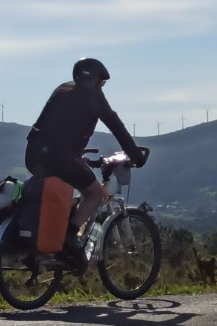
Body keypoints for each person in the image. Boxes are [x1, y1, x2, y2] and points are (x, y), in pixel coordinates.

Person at [24, 57, 147, 267]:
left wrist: (76, 156)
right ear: (92, 80)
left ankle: (52, 243)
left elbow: (59, 127)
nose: (102, 87)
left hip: (33, 153)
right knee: (95, 193)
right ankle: (69, 238)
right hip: (58, 155)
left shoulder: (62, 89)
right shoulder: (93, 97)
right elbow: (116, 126)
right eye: (102, 82)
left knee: (63, 191)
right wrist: (136, 156)